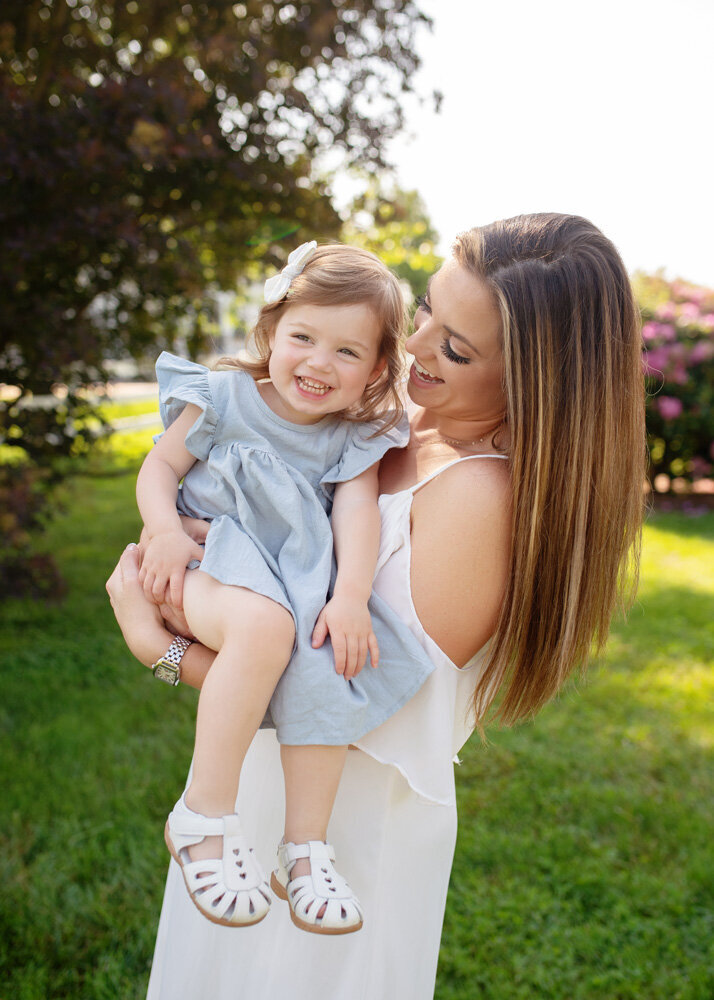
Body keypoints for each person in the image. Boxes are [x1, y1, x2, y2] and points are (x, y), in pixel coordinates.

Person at [107, 213, 646, 999]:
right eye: (427, 309)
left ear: (533, 381)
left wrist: (159, 647)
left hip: (349, 840)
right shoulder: (380, 421)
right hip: (255, 805)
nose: (416, 347)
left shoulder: (475, 497)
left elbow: (372, 710)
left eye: (456, 349)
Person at [133, 242, 437, 935]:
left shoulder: (352, 432)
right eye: (303, 337)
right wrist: (164, 530)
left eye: (346, 352)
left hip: (294, 578)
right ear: (272, 331)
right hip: (211, 560)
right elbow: (159, 469)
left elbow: (354, 510)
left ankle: (303, 849)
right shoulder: (224, 397)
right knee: (266, 630)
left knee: (327, 656)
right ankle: (203, 814)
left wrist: (351, 593)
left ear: (378, 369)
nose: (317, 364)